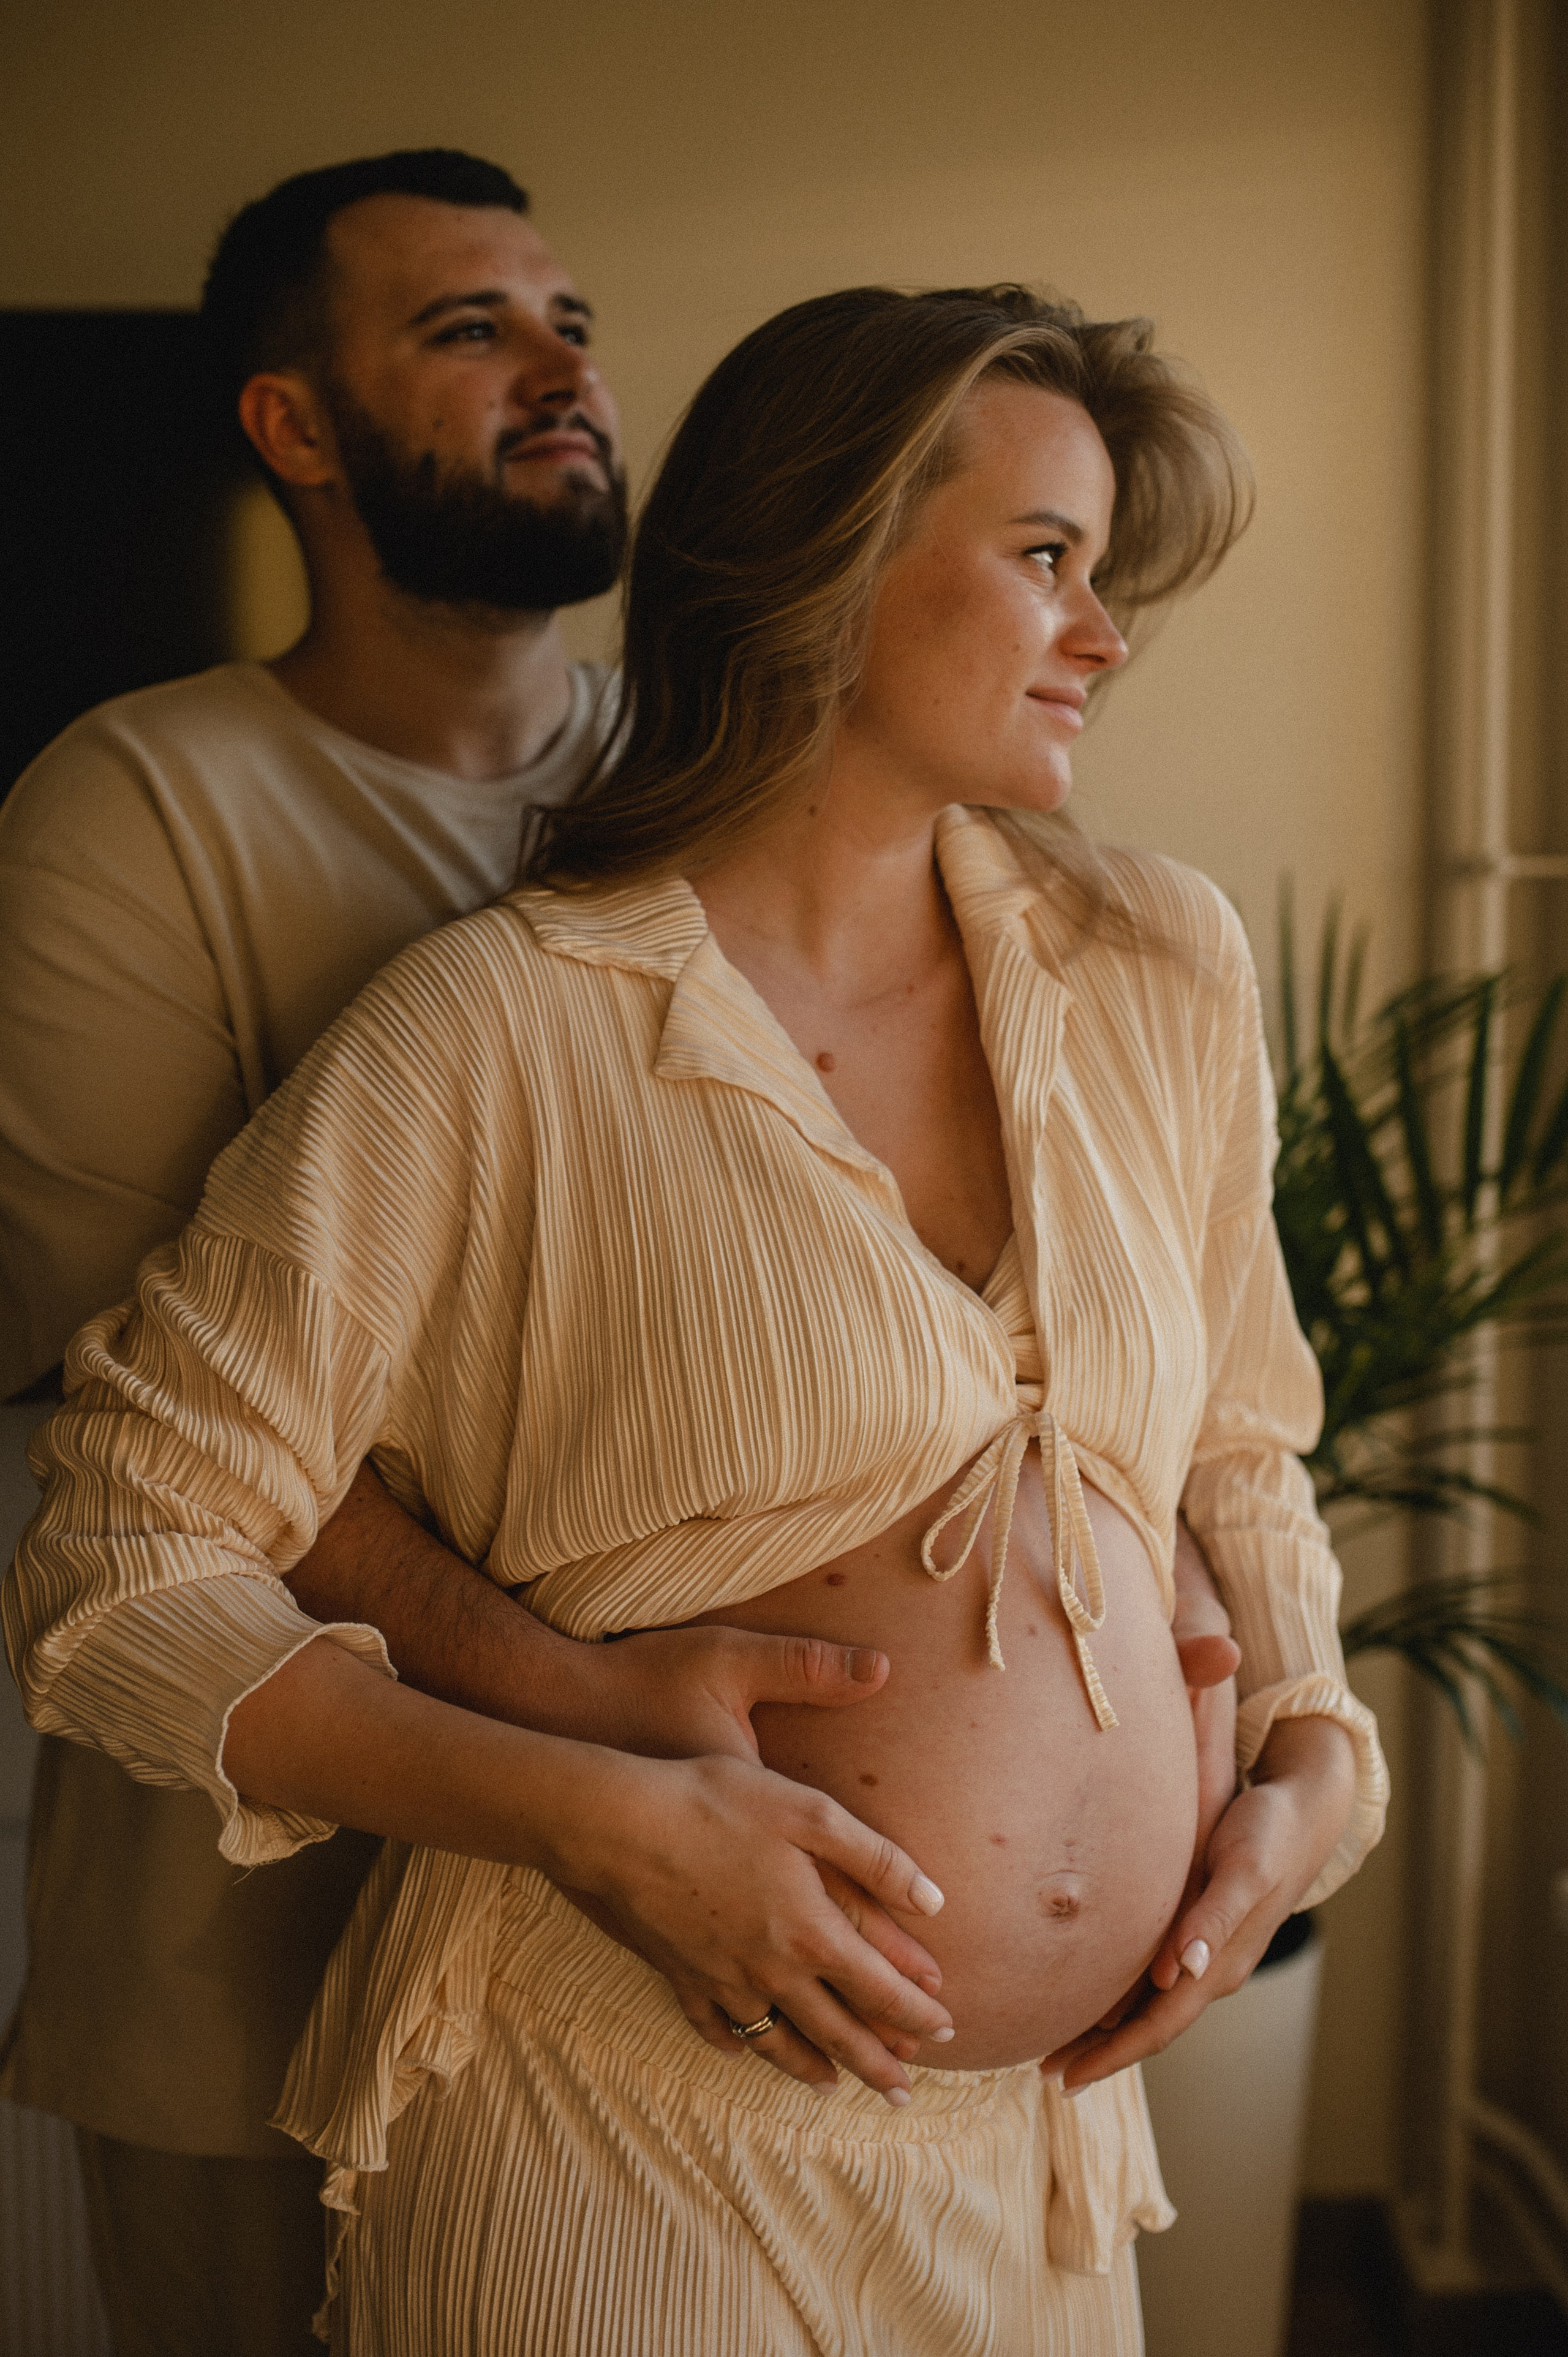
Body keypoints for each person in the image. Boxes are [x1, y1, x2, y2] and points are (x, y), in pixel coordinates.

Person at [2, 280, 1381, 2352]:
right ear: (827, 556)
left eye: (1105, 572)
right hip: (609, 2134)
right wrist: (596, 1821)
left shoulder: (1154, 963)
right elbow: (120, 1544)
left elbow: (1241, 1447)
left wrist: (1311, 1758)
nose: (1103, 635)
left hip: (1040, 2168)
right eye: (1045, 558)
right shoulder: (504, 1030)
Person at [0, 151, 963, 2353]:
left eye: (572, 325)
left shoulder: (714, 790)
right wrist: (590, 1720)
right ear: (294, 426)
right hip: (251, 1949)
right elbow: (159, 1431)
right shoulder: (134, 816)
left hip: (646, 1979)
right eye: (470, 332)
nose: (566, 372)